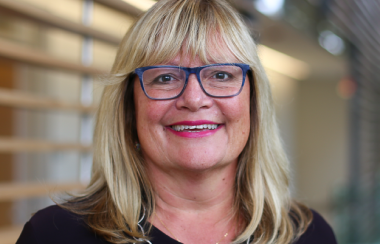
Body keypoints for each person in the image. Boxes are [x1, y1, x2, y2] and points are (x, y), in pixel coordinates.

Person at [16, 0, 337, 243]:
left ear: (253, 103)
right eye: (166, 77)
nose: (194, 99)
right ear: (129, 106)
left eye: (221, 74)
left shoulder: (308, 235)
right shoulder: (53, 236)